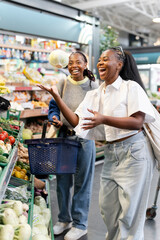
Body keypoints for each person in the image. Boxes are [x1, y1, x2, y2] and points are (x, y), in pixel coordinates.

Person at [38, 47, 156, 240]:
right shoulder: (97, 93)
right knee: (108, 209)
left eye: (105, 59)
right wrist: (57, 98)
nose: (100, 62)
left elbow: (137, 122)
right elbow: (77, 122)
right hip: (111, 152)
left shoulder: (130, 87)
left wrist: (103, 119)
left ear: (119, 64)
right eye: (99, 59)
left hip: (134, 151)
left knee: (130, 213)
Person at [47, 51, 98, 240]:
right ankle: (64, 219)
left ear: (85, 64)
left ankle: (80, 224)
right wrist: (53, 117)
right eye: (70, 63)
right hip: (65, 137)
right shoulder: (63, 83)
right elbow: (53, 107)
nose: (73, 66)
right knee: (62, 182)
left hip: (85, 138)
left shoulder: (94, 86)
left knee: (82, 183)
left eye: (78, 62)